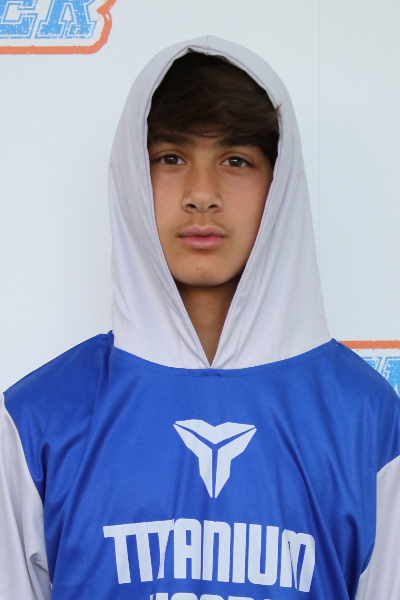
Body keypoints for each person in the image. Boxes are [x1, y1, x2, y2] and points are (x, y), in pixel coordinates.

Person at [0, 35, 399, 600]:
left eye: (235, 160)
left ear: (279, 182)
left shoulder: (369, 421)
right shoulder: (38, 420)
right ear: (133, 176)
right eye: (171, 158)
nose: (202, 194)